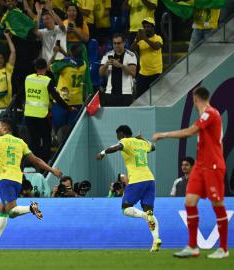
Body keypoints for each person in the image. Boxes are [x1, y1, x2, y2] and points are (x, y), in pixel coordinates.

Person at [0, 117, 62, 251]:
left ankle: (32, 208)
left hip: (5, 179)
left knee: (12, 211)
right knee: (3, 209)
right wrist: (52, 170)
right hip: (17, 180)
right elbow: (36, 160)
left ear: (5, 129)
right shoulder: (20, 142)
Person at [152, 87, 229, 259]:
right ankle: (193, 246)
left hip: (213, 166)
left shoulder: (211, 113)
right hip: (201, 166)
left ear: (195, 99)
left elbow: (189, 132)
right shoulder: (204, 116)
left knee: (218, 204)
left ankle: (223, 248)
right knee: (189, 201)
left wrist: (164, 134)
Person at [96, 125, 161, 252]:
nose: (118, 139)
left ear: (122, 134)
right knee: (150, 211)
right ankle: (156, 240)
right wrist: (142, 140)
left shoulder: (126, 141)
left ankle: (145, 216)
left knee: (125, 208)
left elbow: (117, 147)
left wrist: (102, 153)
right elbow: (153, 147)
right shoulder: (142, 143)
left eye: (118, 136)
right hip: (150, 179)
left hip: (137, 180)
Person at [24, 58, 71, 163]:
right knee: (46, 139)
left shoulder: (28, 78)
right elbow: (57, 98)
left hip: (29, 115)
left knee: (33, 140)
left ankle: (33, 164)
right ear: (46, 68)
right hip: (42, 116)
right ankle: (44, 164)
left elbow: (22, 94)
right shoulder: (47, 81)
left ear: (35, 68)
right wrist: (68, 107)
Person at [99, 33, 137, 106]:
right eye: (114, 43)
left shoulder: (131, 55)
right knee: (111, 117)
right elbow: (100, 73)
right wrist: (106, 65)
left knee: (125, 117)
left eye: (119, 43)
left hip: (125, 93)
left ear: (124, 43)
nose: (116, 45)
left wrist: (120, 65)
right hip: (110, 92)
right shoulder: (107, 55)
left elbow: (133, 73)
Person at [130, 17, 162, 99]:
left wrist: (145, 38)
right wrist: (137, 39)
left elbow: (156, 47)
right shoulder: (140, 39)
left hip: (156, 73)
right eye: (144, 27)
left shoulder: (158, 38)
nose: (146, 29)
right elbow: (131, 50)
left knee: (156, 98)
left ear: (153, 28)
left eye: (148, 26)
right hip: (143, 73)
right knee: (140, 98)